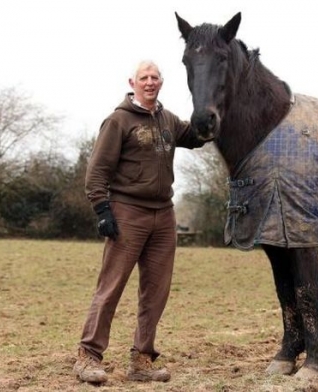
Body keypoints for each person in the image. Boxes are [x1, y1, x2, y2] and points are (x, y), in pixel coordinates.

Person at [73, 60, 204, 384]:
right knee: (111, 287)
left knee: (155, 291)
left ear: (161, 82)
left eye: (154, 77)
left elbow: (197, 135)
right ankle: (88, 356)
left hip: (164, 215)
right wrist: (103, 211)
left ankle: (141, 360)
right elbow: (97, 171)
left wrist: (212, 112)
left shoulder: (168, 120)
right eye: (144, 77)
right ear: (132, 82)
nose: (149, 82)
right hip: (127, 212)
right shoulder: (118, 120)